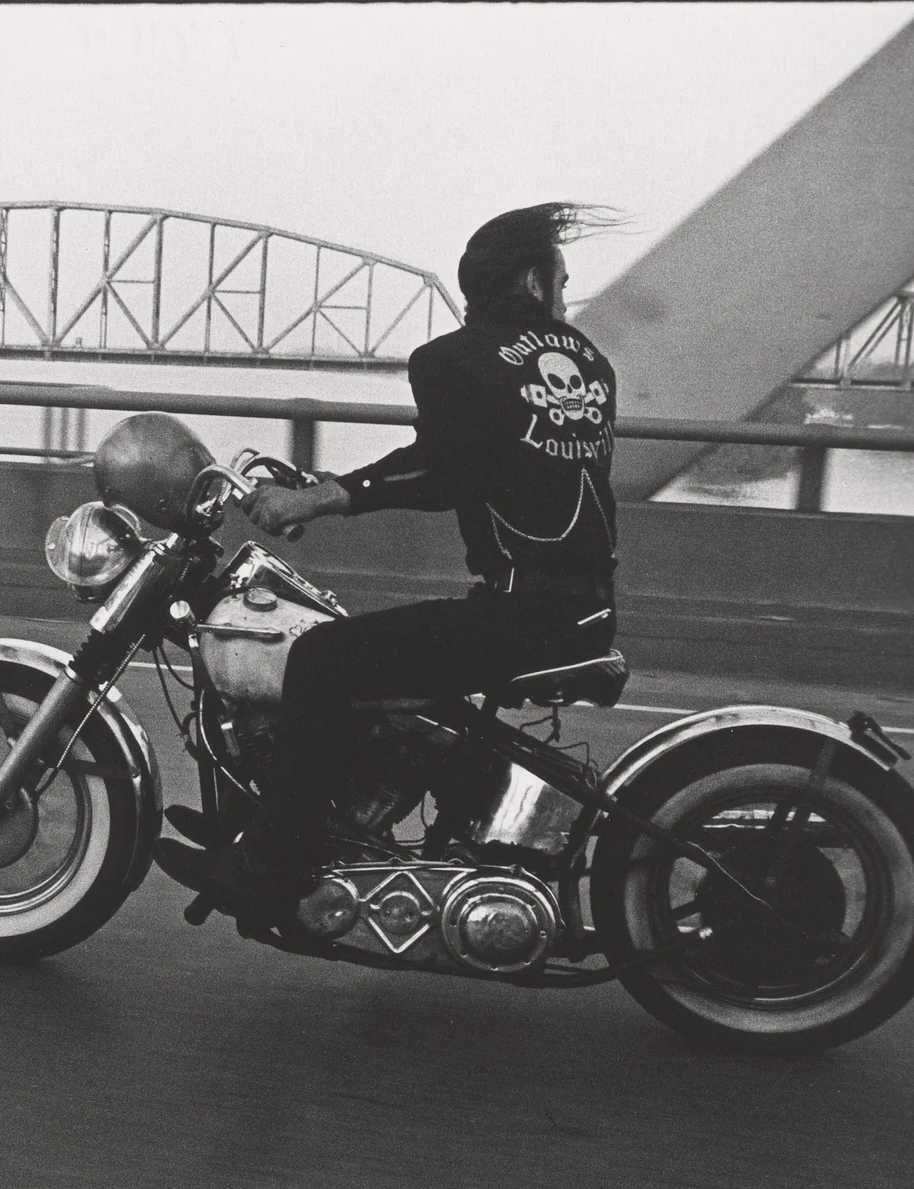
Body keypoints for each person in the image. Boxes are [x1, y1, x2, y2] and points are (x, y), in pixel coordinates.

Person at [156, 201, 626, 911]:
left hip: (521, 612)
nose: (565, 291)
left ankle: (273, 866)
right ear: (532, 281)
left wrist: (317, 499)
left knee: (320, 658)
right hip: (579, 605)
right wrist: (325, 490)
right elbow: (500, 466)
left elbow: (443, 471)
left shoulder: (454, 360)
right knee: (372, 659)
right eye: (561, 276)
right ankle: (280, 819)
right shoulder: (590, 364)